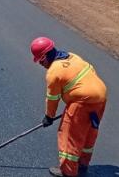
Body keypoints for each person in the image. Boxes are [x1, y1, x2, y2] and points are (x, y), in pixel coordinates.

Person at [30, 37, 108, 177]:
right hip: (100, 98)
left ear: (45, 57)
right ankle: (83, 164)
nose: (41, 64)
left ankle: (68, 171)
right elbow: (89, 71)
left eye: (40, 61)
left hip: (82, 102)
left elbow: (52, 99)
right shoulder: (72, 56)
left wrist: (49, 116)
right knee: (89, 132)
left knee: (69, 135)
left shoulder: (54, 72)